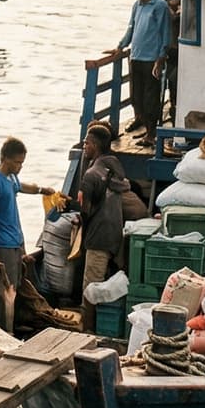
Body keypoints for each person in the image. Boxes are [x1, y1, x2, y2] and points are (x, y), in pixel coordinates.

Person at [0, 139, 55, 333]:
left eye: (22, 163)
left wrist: (41, 190)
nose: (20, 167)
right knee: (5, 292)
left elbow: (22, 186)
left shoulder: (11, 178)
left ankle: (13, 325)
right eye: (16, 162)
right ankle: (5, 332)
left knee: (14, 289)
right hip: (2, 246)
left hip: (15, 244)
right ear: (4, 158)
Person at [74, 123, 128, 290]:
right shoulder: (114, 167)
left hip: (98, 237)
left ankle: (87, 316)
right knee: (103, 283)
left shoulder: (91, 176)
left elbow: (85, 211)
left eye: (86, 143)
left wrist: (81, 238)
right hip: (114, 233)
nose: (84, 147)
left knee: (91, 287)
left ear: (95, 145)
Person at [116, 0, 172, 133]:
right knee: (136, 96)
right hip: (136, 56)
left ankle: (150, 131)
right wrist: (121, 46)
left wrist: (161, 57)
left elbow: (165, 32)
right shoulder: (137, 5)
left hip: (151, 59)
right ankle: (140, 120)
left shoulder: (159, 6)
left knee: (150, 98)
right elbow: (131, 28)